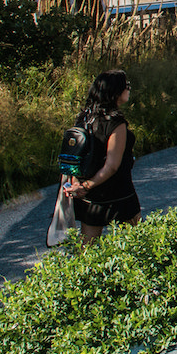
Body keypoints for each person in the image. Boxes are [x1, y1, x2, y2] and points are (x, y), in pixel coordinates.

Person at [64, 70, 141, 244]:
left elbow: (76, 155)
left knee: (88, 247)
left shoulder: (83, 118)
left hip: (90, 194)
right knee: (137, 242)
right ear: (116, 91)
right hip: (118, 191)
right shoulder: (115, 122)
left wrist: (79, 185)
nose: (129, 89)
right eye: (126, 86)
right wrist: (86, 186)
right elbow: (112, 165)